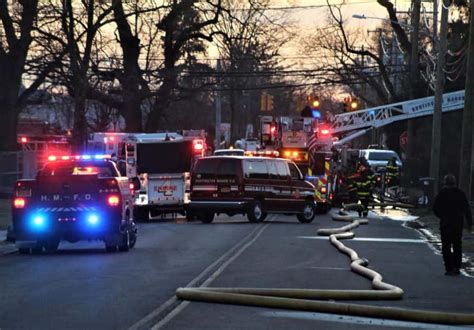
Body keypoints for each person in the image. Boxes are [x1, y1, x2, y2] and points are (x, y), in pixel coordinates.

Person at [433, 174, 472, 276]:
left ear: (445, 183)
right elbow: (467, 209)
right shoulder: (460, 193)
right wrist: (470, 223)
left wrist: (441, 216)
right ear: (455, 182)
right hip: (457, 223)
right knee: (457, 245)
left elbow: (435, 208)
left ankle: (449, 268)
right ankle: (457, 267)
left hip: (446, 223)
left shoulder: (442, 193)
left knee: (446, 246)